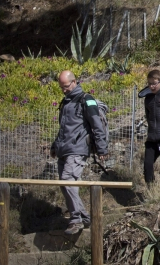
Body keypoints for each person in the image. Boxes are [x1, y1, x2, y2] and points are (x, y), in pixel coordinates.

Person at [51, 70, 108, 235]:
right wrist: (55, 145)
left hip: (77, 150)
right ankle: (83, 217)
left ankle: (76, 220)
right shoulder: (66, 102)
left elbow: (96, 124)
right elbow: (63, 128)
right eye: (61, 87)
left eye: (66, 86)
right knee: (65, 184)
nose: (63, 90)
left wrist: (102, 148)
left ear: (74, 82)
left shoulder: (86, 99)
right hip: (64, 150)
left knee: (67, 180)